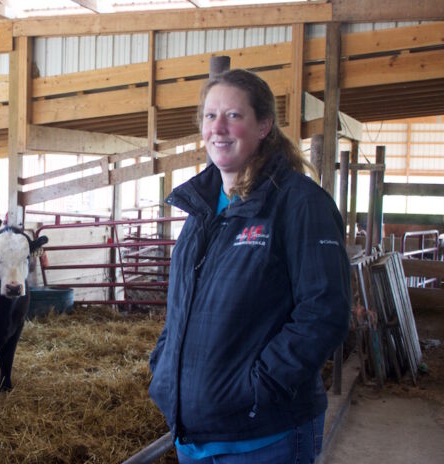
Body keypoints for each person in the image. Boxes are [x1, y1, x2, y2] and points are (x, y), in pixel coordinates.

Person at [148, 68, 351, 464]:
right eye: (210, 116)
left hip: (263, 437)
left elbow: (325, 311)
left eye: (234, 116)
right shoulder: (200, 210)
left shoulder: (299, 203)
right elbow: (181, 308)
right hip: (194, 436)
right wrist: (164, 367)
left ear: (264, 127)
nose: (218, 128)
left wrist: (260, 386)